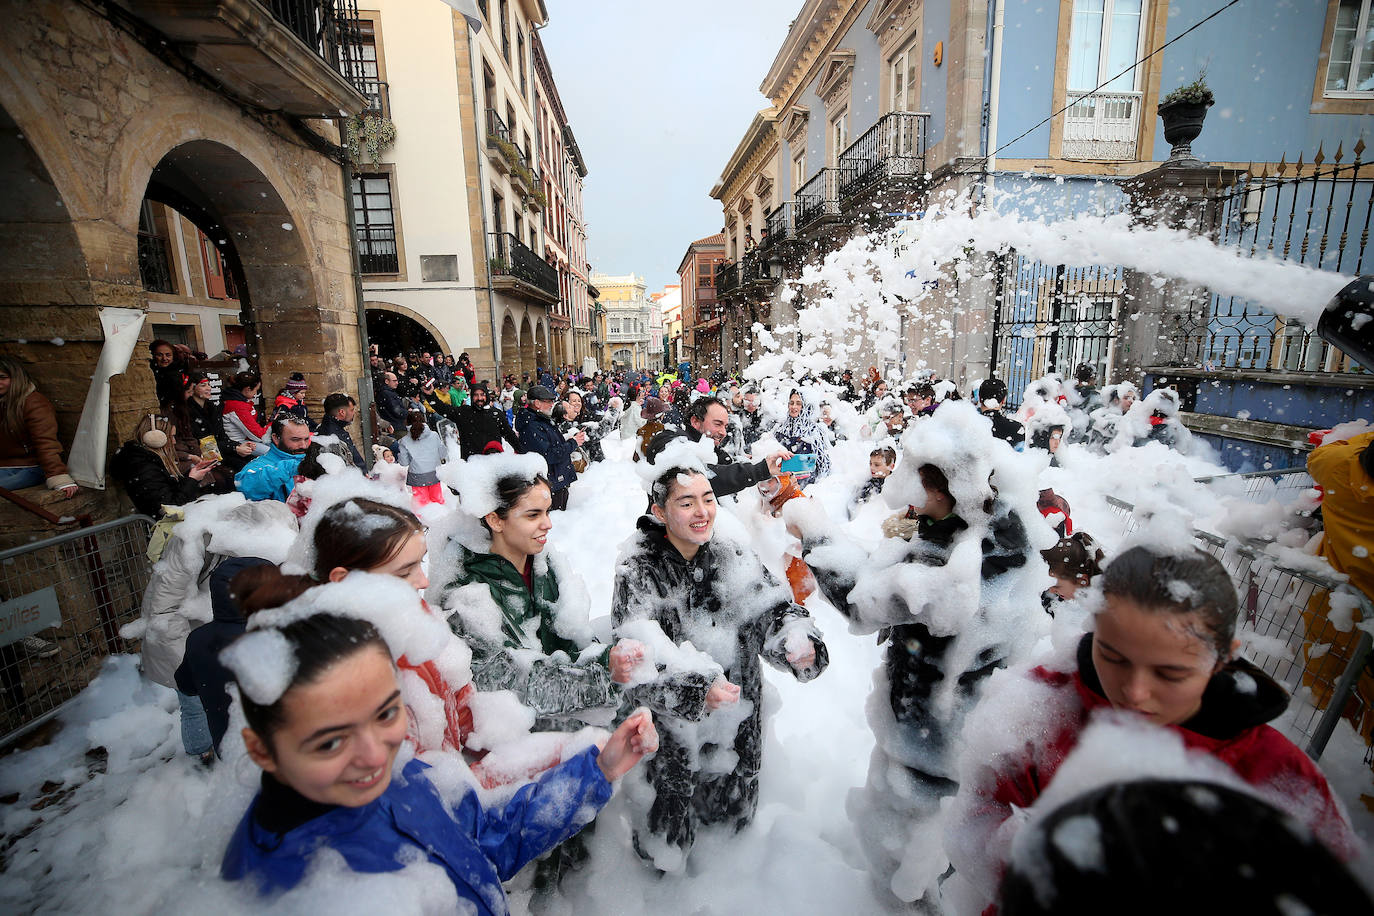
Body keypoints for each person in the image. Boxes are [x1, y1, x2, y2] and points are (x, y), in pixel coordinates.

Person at [944, 545, 1358, 914]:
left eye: (1170, 672)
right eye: (1112, 656)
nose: (1135, 692)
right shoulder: (1041, 707)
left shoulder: (1276, 773)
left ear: (1222, 659)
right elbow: (975, 828)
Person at [218, 570, 659, 909]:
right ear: (261, 749)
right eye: (330, 742)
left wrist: (598, 771)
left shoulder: (399, 774)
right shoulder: (301, 892)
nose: (375, 754)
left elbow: (486, 841)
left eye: (386, 713)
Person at [612, 458, 828, 871]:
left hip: (737, 718)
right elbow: (636, 657)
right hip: (671, 732)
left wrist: (796, 639)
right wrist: (694, 688)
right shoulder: (638, 566)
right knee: (666, 837)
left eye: (708, 499)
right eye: (687, 503)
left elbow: (772, 608)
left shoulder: (729, 550)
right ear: (659, 512)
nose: (703, 512)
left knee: (731, 836)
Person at [430, 460, 639, 733]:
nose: (548, 524)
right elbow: (502, 682)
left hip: (566, 711)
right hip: (507, 736)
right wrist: (602, 676)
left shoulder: (544, 563)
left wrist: (609, 660)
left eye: (547, 512)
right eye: (533, 515)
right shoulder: (463, 590)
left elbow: (573, 638)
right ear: (495, 519)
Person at [1302, 426, 1374, 773]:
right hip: (1355, 608)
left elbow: (1320, 455)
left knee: (1327, 680)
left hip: (1338, 603)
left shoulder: (1339, 467)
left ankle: (1325, 754)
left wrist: (1363, 439)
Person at [646, 396, 788, 499]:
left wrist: (766, 475)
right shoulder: (668, 439)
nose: (724, 432)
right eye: (718, 424)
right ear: (695, 421)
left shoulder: (708, 447)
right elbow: (699, 476)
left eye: (725, 426)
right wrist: (760, 470)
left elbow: (727, 468)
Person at [109, 414, 217, 516]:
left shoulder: (147, 461)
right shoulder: (143, 467)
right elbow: (169, 507)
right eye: (171, 437)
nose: (174, 442)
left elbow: (172, 491)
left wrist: (193, 476)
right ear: (155, 438)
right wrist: (192, 480)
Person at [0, 355, 78, 496]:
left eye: (2, 377)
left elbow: (45, 442)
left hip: (29, 468)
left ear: (16, 378)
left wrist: (59, 477)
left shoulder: (33, 403)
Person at [514, 385, 584, 511]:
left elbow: (552, 445)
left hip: (555, 481)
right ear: (537, 403)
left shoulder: (541, 420)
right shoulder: (532, 425)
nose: (552, 404)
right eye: (549, 401)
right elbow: (549, 455)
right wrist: (573, 443)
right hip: (550, 483)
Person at [235, 415, 311, 502]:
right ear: (276, 439)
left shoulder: (313, 460)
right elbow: (247, 489)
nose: (303, 445)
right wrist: (290, 468)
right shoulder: (260, 465)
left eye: (306, 439)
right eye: (295, 440)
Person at [773, 390, 832, 482]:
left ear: (806, 406)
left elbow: (824, 465)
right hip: (781, 482)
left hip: (805, 484)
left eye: (798, 403)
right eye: (791, 403)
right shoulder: (780, 428)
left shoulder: (814, 430)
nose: (793, 407)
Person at [450, 382, 520, 458]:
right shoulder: (464, 412)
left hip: (493, 461)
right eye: (476, 395)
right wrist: (434, 395)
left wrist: (522, 453)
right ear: (472, 396)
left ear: (486, 395)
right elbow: (442, 408)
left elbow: (509, 435)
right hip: (472, 463)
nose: (479, 398)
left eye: (482, 394)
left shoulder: (496, 414)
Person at [393, 409, 446, 507]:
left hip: (417, 476)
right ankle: (440, 520)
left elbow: (404, 463)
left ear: (407, 423)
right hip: (434, 473)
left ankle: (423, 522)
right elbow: (443, 454)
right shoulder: (434, 435)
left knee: (421, 505)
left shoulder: (404, 441)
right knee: (438, 501)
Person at [221, 371, 270, 457]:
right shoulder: (237, 406)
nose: (256, 394)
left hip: (246, 439)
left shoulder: (239, 401)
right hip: (237, 442)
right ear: (247, 389)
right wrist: (272, 424)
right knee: (271, 454)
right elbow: (258, 435)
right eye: (256, 390)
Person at [316, 393, 365, 469]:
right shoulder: (333, 436)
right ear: (342, 412)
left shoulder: (332, 428)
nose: (354, 412)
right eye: (351, 410)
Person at [977, 377, 1025, 447]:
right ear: (1003, 400)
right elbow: (1019, 455)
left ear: (979, 398)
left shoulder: (968, 425)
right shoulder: (1016, 428)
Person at [850, 446, 896, 517]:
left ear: (891, 466)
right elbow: (855, 509)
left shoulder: (897, 482)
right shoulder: (869, 486)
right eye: (870, 463)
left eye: (877, 465)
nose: (872, 467)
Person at [148, 339, 189, 407]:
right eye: (160, 355)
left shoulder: (176, 375)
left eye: (168, 355)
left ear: (173, 356)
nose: (164, 358)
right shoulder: (150, 373)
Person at [374, 370, 410, 436]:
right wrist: (408, 413)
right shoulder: (387, 394)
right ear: (386, 381)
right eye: (394, 381)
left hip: (394, 425)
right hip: (395, 427)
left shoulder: (387, 392)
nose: (397, 383)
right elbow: (397, 410)